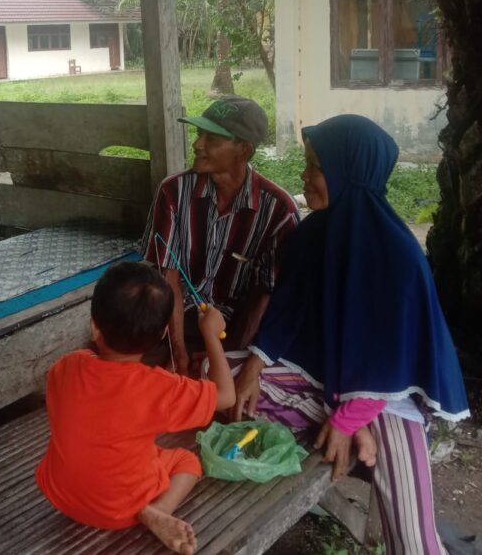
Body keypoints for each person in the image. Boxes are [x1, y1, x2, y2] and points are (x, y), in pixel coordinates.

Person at [231, 115, 470, 555]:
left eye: (315, 166)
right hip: (324, 379)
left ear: (349, 172)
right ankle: (342, 424)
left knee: (413, 543)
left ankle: (358, 433)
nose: (303, 176)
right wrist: (254, 365)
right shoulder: (312, 235)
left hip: (388, 401)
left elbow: (389, 363)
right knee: (220, 376)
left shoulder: (398, 256)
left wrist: (347, 421)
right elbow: (287, 314)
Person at [35, 262, 236, 554]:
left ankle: (150, 508)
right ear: (161, 335)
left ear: (94, 325)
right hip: (120, 511)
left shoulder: (67, 366)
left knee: (135, 448)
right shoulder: (159, 389)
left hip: (61, 494)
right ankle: (159, 510)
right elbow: (227, 395)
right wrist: (210, 333)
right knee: (187, 461)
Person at [142, 95, 299, 376]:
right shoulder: (173, 192)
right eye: (199, 134)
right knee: (139, 373)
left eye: (212, 139)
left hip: (237, 330)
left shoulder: (278, 210)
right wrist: (178, 352)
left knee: (234, 393)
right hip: (177, 318)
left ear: (244, 150)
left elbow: (265, 295)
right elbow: (169, 277)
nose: (197, 144)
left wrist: (228, 356)